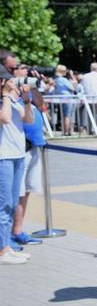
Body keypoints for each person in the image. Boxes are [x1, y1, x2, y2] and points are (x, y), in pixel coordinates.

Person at [0, 49, 33, 265]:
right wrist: (5, 95)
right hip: (3, 157)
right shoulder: (4, 100)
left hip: (18, 154)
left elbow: (28, 119)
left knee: (12, 202)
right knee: (4, 204)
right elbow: (4, 119)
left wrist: (27, 99)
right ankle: (3, 250)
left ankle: (7, 245)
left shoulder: (12, 99)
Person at [11, 64, 45, 246]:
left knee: (26, 191)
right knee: (16, 192)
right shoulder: (9, 91)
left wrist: (34, 87)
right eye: (21, 68)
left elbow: (41, 105)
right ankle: (11, 232)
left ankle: (18, 229)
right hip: (19, 148)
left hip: (34, 145)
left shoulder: (27, 92)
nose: (25, 72)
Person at [80, 62, 97, 134]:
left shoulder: (85, 76)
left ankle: (90, 130)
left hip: (87, 98)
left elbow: (82, 86)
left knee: (89, 114)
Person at [52, 64, 76, 136]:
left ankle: (65, 131)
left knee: (65, 115)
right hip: (68, 98)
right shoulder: (63, 79)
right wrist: (72, 76)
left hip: (62, 98)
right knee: (68, 115)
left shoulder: (56, 80)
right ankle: (67, 131)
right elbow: (73, 88)